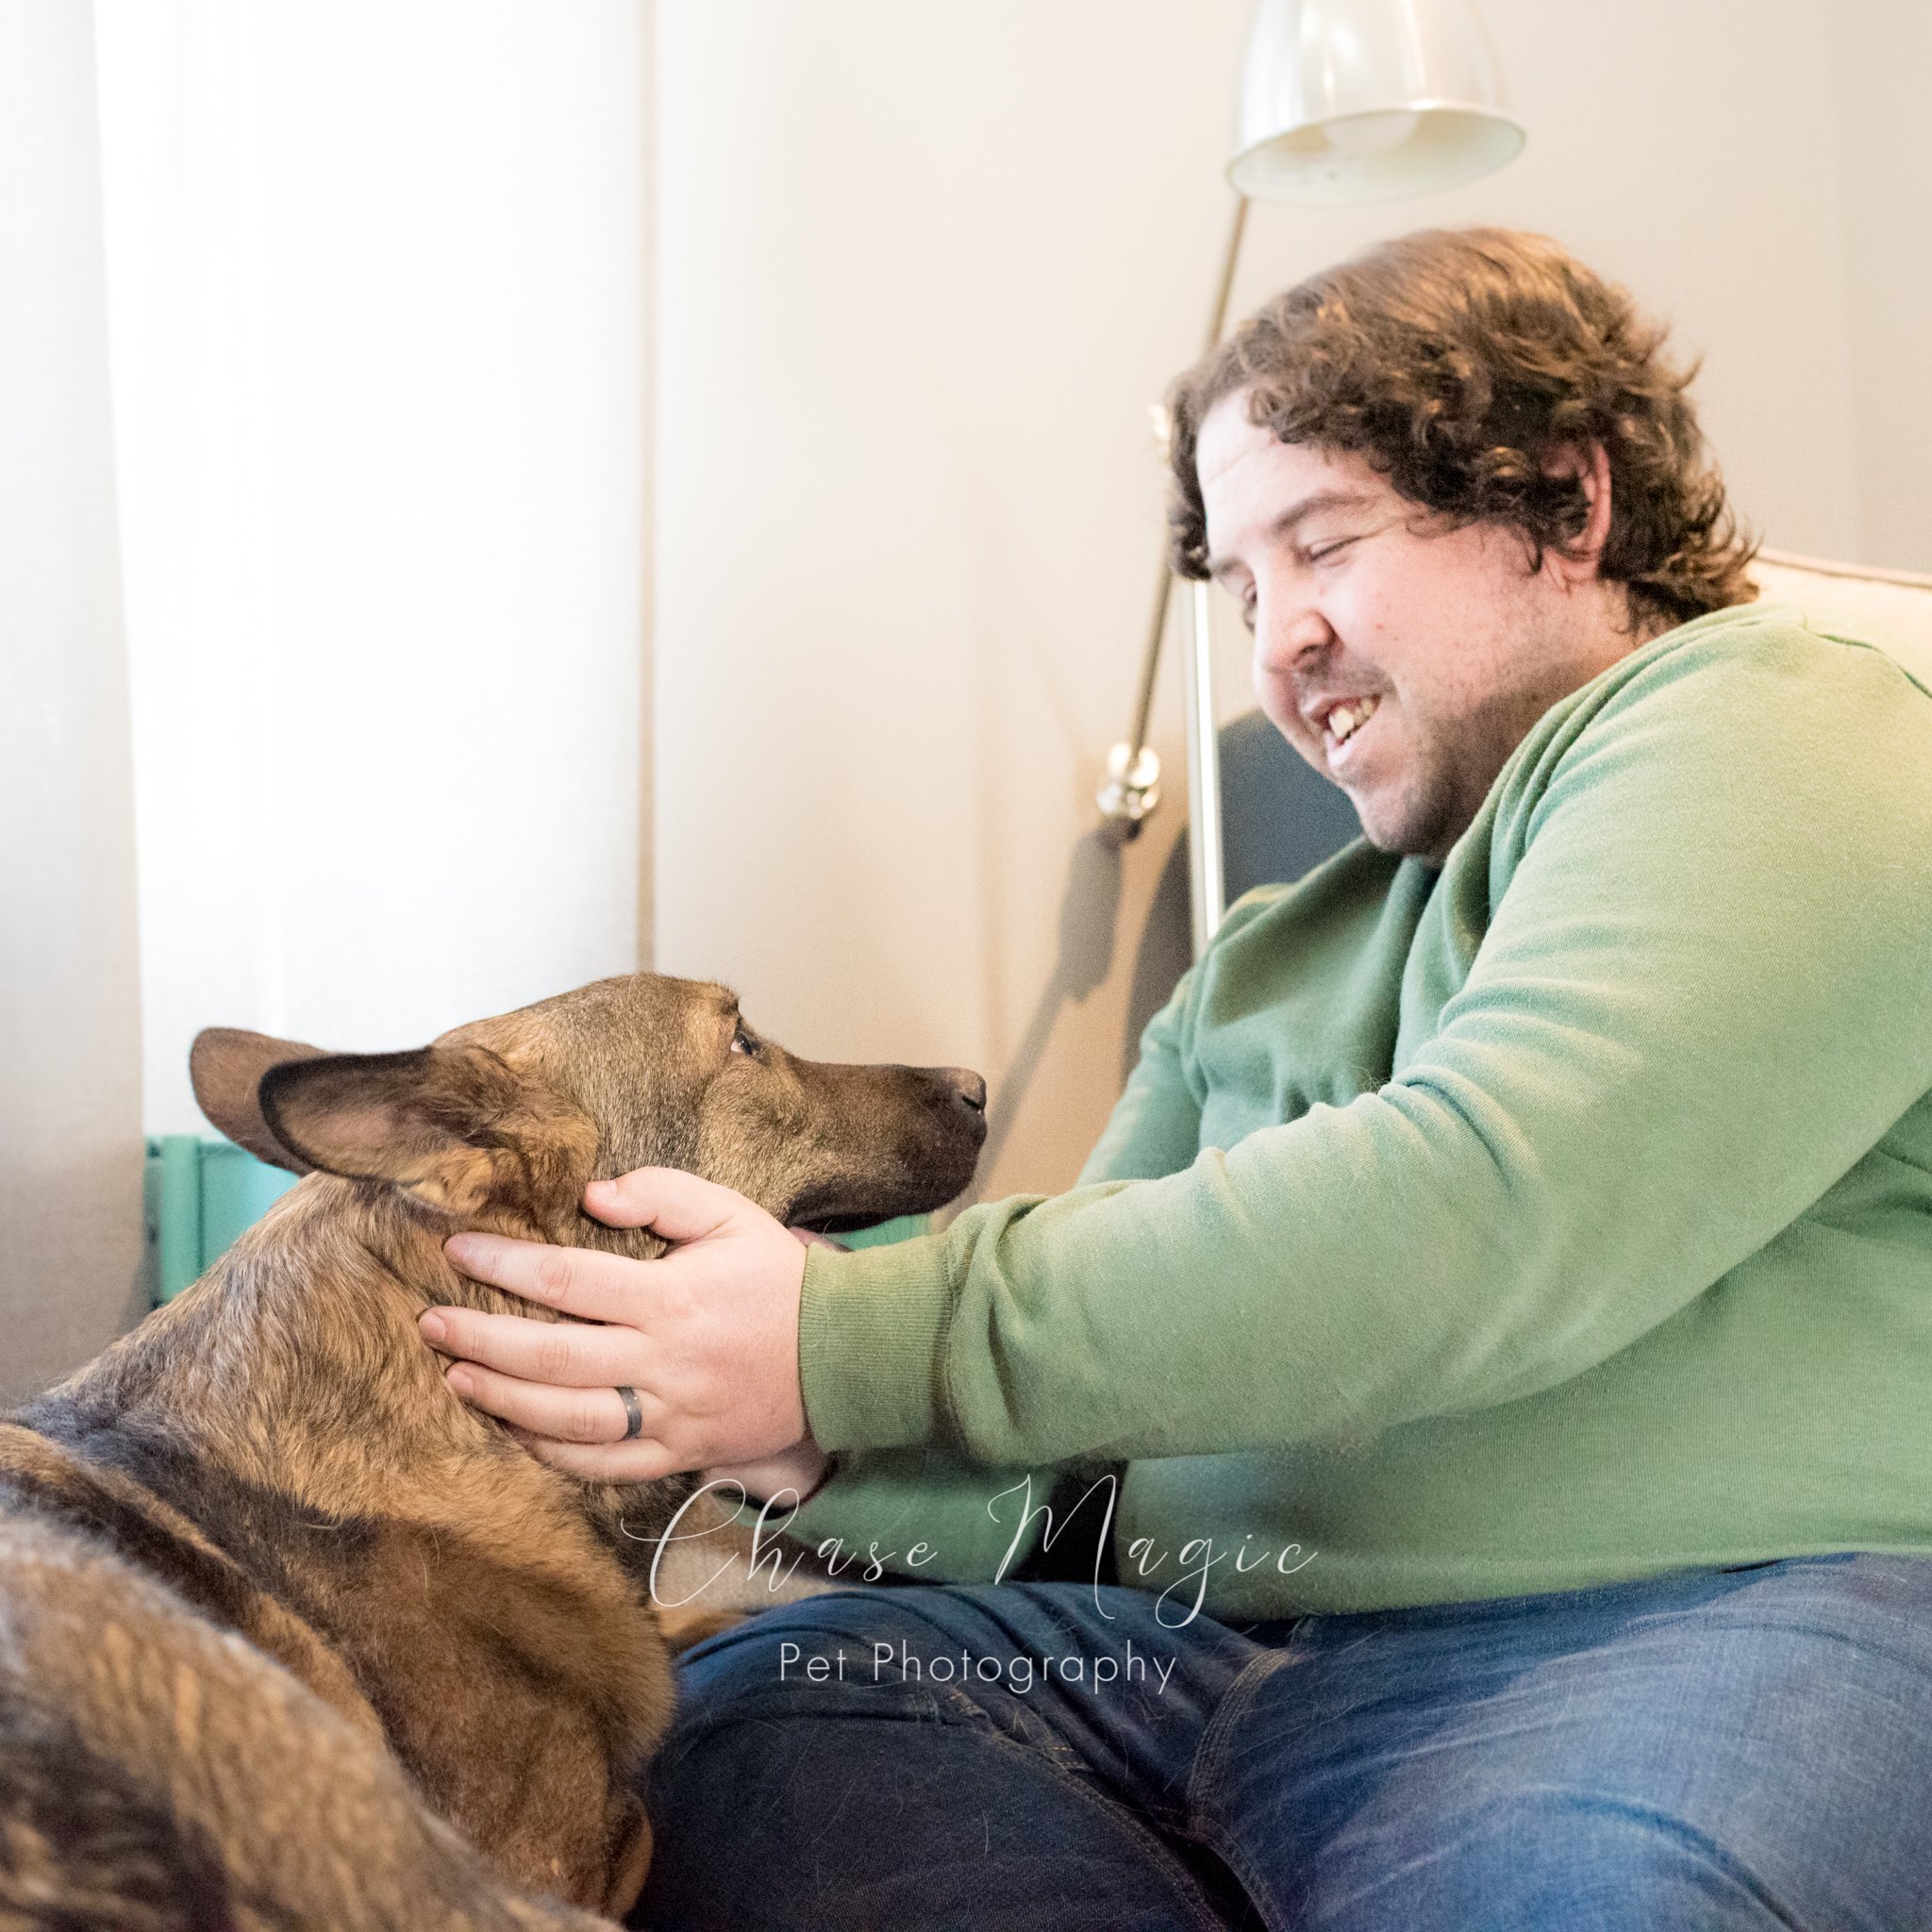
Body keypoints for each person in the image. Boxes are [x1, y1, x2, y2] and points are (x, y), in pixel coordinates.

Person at [423, 229, 1932, 1929]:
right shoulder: (1263, 961)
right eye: (1240, 588)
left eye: (1328, 545)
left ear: (1564, 509)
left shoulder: (1793, 729)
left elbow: (1490, 1206)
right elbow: (1085, 1482)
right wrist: (804, 1438)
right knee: (743, 1723)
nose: (1281, 644)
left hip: (1693, 1622)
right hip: (1182, 1652)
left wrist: (838, 1337)